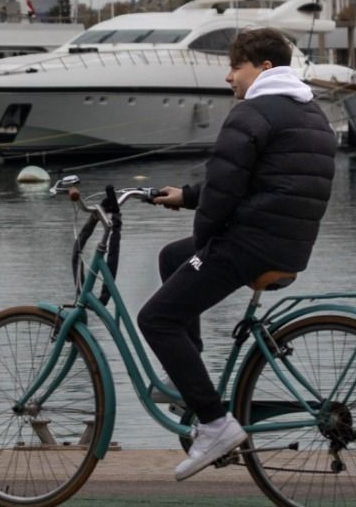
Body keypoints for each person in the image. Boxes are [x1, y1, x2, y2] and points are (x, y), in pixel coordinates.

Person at [137, 26, 335, 480]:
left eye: (235, 66)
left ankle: (214, 424)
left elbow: (224, 196)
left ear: (264, 69)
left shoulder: (252, 113)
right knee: (172, 257)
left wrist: (205, 240)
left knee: (156, 319)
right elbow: (256, 181)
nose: (228, 77)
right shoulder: (308, 112)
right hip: (285, 241)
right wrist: (187, 195)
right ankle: (186, 380)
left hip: (249, 242)